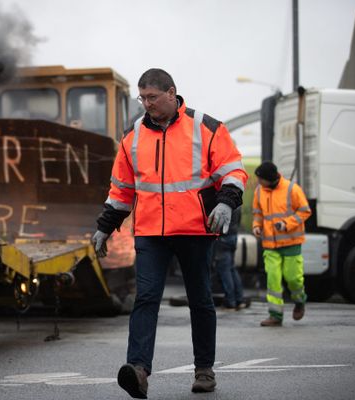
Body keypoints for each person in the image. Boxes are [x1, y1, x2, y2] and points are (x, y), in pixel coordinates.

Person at [91, 68, 247, 398]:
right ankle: (138, 370)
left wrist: (226, 203)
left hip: (195, 231)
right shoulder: (131, 136)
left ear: (171, 93)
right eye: (142, 97)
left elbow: (232, 170)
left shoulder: (206, 127)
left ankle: (204, 370)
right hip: (151, 234)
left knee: (200, 300)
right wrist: (104, 227)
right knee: (145, 299)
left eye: (152, 97)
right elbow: (121, 190)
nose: (146, 104)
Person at [252, 161, 311, 327]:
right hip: (270, 245)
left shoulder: (292, 189)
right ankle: (275, 315)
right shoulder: (259, 191)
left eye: (261, 179)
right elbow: (257, 213)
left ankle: (300, 301)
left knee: (293, 279)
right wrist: (257, 227)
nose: (258, 182)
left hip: (291, 242)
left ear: (269, 179)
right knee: (273, 280)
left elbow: (305, 210)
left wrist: (287, 223)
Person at [213, 207, 249, 310]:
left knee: (224, 270)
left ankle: (230, 301)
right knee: (232, 268)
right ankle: (239, 299)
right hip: (233, 237)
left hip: (223, 238)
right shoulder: (236, 203)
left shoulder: (224, 203)